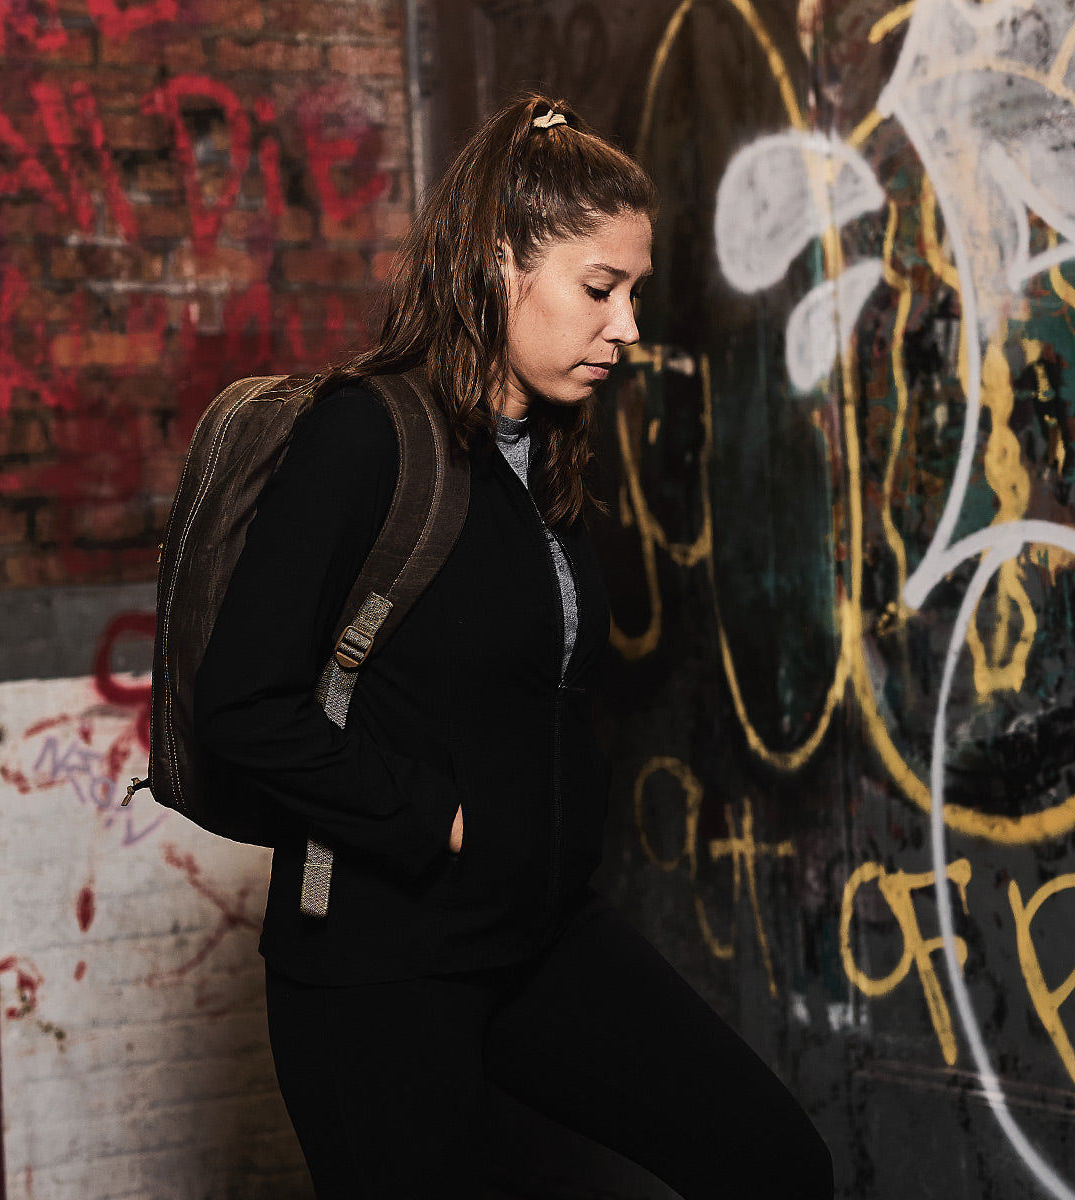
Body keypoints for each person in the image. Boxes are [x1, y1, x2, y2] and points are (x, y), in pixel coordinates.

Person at [194, 93, 834, 1199]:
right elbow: (242, 706)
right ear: (499, 266)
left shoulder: (546, 456)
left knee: (774, 1161)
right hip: (379, 966)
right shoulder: (364, 435)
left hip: (537, 933)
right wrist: (433, 818)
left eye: (633, 293)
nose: (627, 327)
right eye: (601, 288)